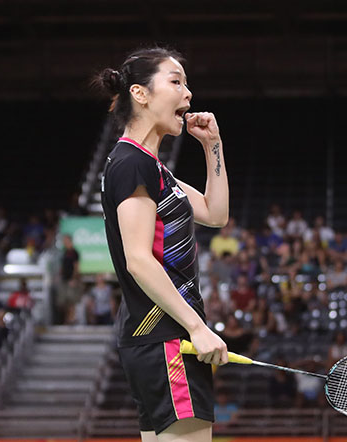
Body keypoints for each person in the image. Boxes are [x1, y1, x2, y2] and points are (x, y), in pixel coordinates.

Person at [96, 47, 229, 441]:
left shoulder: (151, 168)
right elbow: (138, 259)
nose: (187, 94)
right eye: (176, 82)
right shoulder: (131, 163)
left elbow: (215, 213)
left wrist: (213, 145)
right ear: (140, 93)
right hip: (168, 337)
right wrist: (196, 327)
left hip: (162, 337)